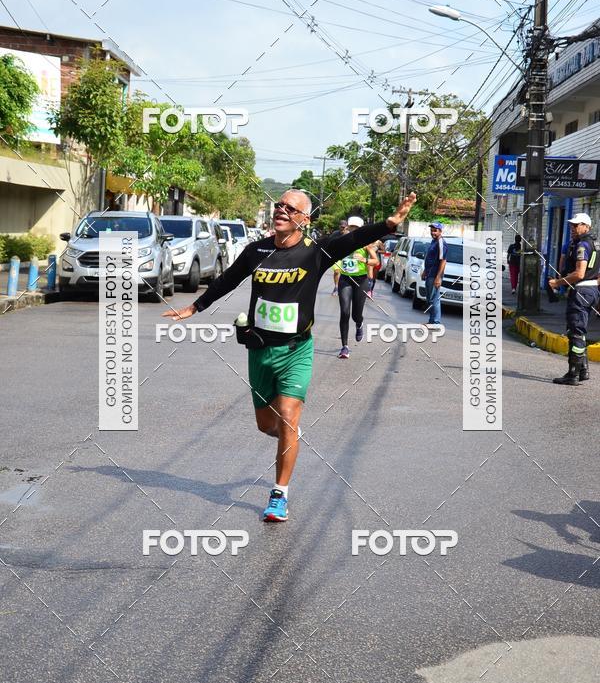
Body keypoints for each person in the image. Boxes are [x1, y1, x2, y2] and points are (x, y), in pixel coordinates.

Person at [163, 190, 417, 521]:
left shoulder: (316, 252)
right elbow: (227, 280)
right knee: (266, 424)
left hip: (297, 349)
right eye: (279, 205)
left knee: (287, 414)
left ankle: (279, 494)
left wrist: (389, 223)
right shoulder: (257, 251)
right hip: (260, 351)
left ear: (304, 219)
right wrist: (196, 306)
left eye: (290, 208)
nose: (281, 210)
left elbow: (355, 238)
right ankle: (289, 435)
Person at [549, 213, 600, 385]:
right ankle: (583, 370)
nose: (573, 228)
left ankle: (573, 374)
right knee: (580, 331)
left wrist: (557, 282)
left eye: (577, 225)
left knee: (576, 332)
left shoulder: (583, 246)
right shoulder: (596, 244)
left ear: (586, 226)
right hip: (592, 291)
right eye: (572, 225)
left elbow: (579, 273)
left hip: (581, 291)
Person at [334, 217, 378, 358]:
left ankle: (359, 324)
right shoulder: (343, 241)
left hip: (361, 280)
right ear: (348, 227)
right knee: (345, 312)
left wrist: (363, 259)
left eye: (356, 227)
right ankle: (344, 347)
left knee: (355, 314)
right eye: (351, 227)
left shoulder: (367, 244)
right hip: (346, 279)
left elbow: (375, 261)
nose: (353, 229)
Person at [421, 221, 447, 326]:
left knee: (434, 299)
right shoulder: (434, 241)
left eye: (435, 231)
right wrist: (425, 271)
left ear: (440, 231)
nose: (433, 232)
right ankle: (432, 321)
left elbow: (443, 261)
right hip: (430, 274)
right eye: (431, 230)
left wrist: (438, 277)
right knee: (430, 299)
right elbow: (430, 258)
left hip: (435, 275)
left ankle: (436, 323)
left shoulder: (441, 242)